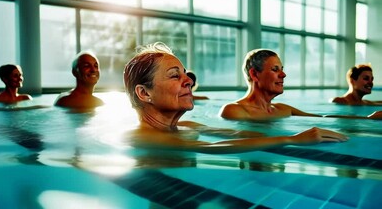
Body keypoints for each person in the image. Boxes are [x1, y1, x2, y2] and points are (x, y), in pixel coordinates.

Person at [122, 42, 348, 154]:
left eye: (185, 73)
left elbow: (237, 134)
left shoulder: (186, 126)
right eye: (174, 76)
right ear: (144, 93)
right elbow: (218, 147)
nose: (188, 80)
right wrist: (290, 140)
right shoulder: (145, 137)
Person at [219, 49, 382, 120]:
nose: (283, 74)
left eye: (282, 69)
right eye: (275, 69)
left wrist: (368, 118)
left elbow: (323, 118)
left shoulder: (283, 109)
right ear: (254, 74)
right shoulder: (234, 110)